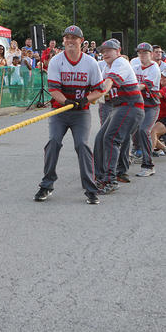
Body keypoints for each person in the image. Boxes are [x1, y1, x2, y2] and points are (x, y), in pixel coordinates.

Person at [34, 25, 105, 205]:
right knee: (53, 142)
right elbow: (54, 90)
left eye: (74, 38)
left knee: (82, 145)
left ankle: (90, 189)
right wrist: (66, 102)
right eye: (67, 38)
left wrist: (86, 100)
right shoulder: (57, 61)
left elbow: (99, 90)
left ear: (81, 41)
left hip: (80, 113)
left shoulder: (90, 63)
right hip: (60, 111)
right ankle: (47, 184)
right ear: (63, 41)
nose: (70, 41)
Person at [93, 39, 144, 194]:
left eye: (109, 50)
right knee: (100, 138)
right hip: (118, 107)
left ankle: (110, 179)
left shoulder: (120, 63)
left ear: (118, 51)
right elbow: (98, 86)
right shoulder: (106, 67)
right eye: (103, 51)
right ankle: (101, 177)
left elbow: (108, 83)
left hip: (131, 106)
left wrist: (101, 92)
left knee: (111, 139)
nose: (105, 53)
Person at [130, 42, 160, 178]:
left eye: (145, 52)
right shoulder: (135, 67)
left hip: (150, 106)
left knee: (144, 130)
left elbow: (143, 85)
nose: (142, 55)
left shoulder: (154, 68)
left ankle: (148, 165)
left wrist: (129, 88)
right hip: (137, 105)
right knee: (129, 130)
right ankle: (133, 153)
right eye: (140, 52)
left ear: (151, 54)